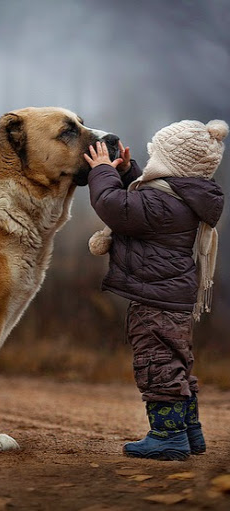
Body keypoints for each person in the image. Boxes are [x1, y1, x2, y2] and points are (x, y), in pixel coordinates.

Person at [83, 119, 228, 460]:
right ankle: (190, 432)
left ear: (171, 163)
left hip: (155, 302)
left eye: (154, 157)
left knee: (157, 364)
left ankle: (167, 437)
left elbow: (114, 205)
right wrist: (126, 170)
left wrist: (102, 172)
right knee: (176, 364)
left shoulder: (161, 205)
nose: (149, 164)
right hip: (172, 299)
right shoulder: (181, 198)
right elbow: (144, 200)